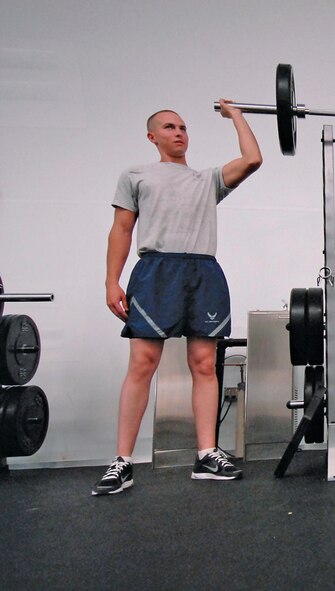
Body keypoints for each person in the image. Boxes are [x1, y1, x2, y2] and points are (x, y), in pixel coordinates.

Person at [92, 101, 262, 495]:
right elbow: (120, 229)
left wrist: (235, 115)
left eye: (183, 127)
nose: (179, 132)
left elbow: (253, 159)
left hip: (203, 271)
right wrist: (111, 282)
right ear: (153, 137)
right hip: (156, 272)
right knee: (143, 362)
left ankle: (206, 453)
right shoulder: (136, 175)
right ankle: (122, 462)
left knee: (204, 363)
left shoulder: (207, 180)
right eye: (169, 127)